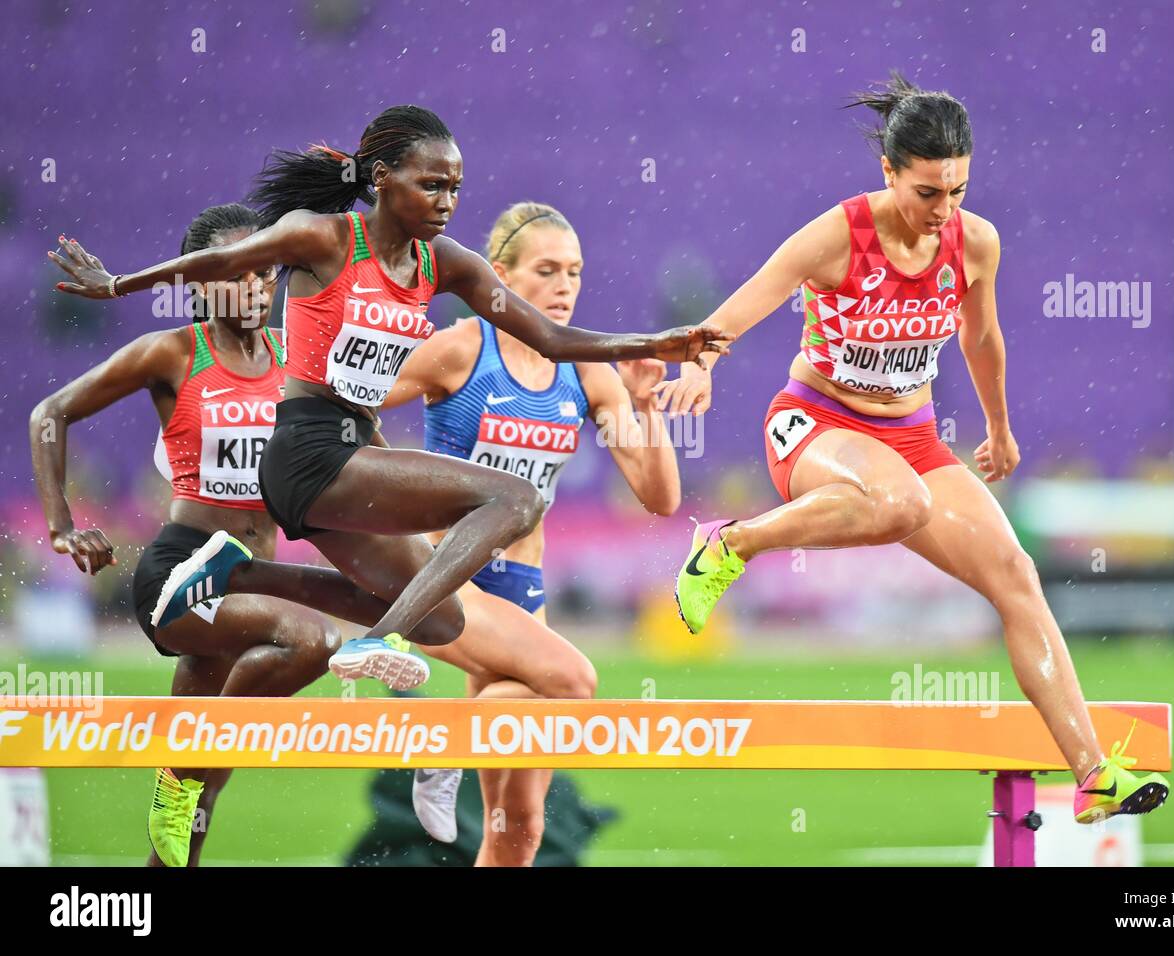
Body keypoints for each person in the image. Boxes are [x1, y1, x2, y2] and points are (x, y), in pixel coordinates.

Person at [47, 105, 732, 697]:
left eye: (456, 189)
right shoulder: (325, 238)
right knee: (517, 499)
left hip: (347, 460)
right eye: (431, 185)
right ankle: (375, 643)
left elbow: (549, 337)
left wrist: (658, 339)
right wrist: (118, 284)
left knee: (440, 619)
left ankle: (249, 574)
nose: (446, 201)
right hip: (307, 451)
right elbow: (220, 264)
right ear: (381, 180)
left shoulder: (448, 264)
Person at [653, 74, 1169, 824]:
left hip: (913, 439)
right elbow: (749, 300)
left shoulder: (976, 241)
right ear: (889, 172)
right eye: (928, 193)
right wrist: (701, 364)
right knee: (900, 501)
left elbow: (981, 337)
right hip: (816, 424)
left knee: (1016, 573)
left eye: (958, 190)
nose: (944, 211)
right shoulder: (840, 235)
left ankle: (1093, 773)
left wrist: (998, 427)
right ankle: (730, 545)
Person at [30, 204, 466, 866]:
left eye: (267, 272)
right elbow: (50, 413)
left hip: (253, 581)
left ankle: (190, 771)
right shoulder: (171, 353)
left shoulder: (300, 361)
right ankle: (186, 766)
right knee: (311, 640)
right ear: (203, 280)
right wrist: (63, 528)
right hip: (185, 574)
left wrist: (411, 509)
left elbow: (359, 458)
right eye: (238, 273)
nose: (257, 287)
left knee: (432, 619)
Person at [385, 201, 681, 861]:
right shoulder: (462, 349)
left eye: (574, 272)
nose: (565, 286)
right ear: (501, 276)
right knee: (573, 680)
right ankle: (449, 740)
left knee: (518, 829)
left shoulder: (587, 370)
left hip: (525, 592)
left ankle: (454, 743)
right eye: (547, 270)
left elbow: (660, 496)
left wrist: (645, 404)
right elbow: (347, 405)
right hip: (448, 581)